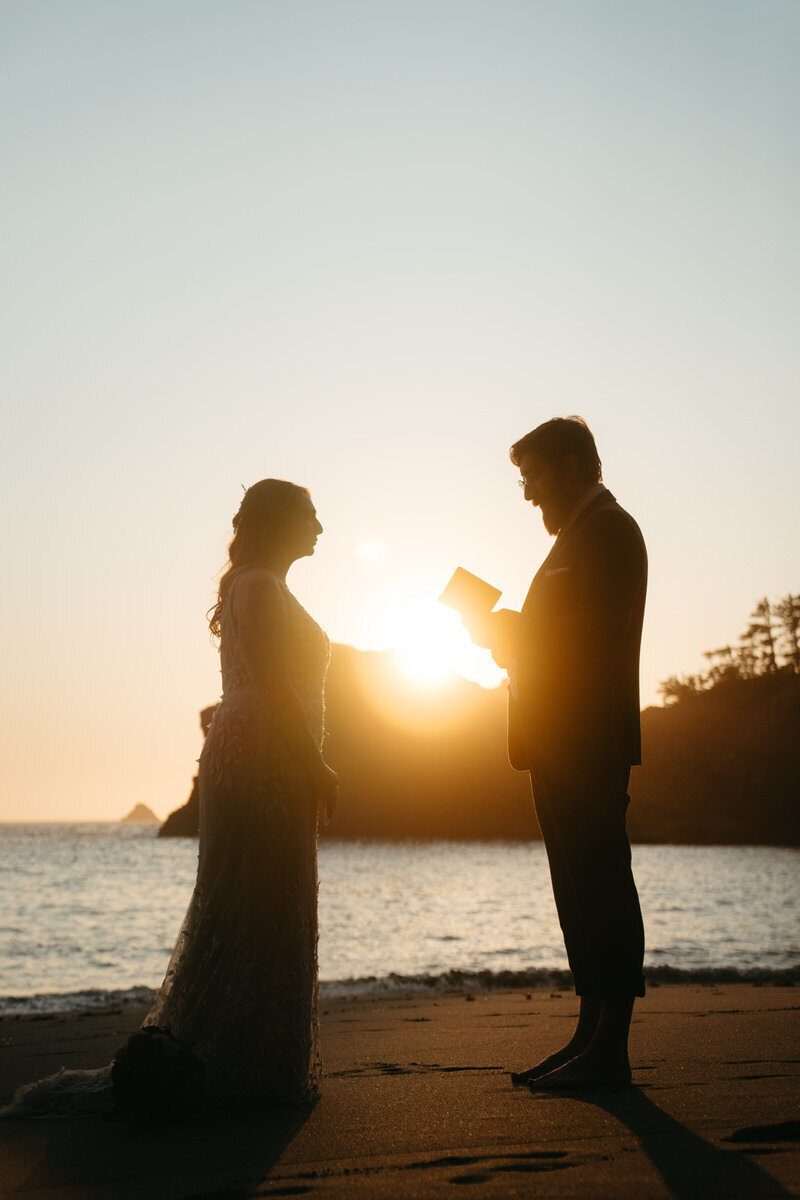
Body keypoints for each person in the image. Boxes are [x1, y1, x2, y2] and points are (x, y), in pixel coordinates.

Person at [3, 479, 337, 1116]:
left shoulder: (257, 584)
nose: (321, 526)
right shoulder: (261, 586)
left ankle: (249, 1054)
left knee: (252, 898)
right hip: (267, 754)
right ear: (279, 521)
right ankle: (246, 1063)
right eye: (311, 515)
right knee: (258, 897)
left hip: (253, 747)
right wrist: (316, 764)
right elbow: (272, 687)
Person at [465, 417, 647, 1090]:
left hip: (587, 739)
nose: (527, 494)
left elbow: (587, 642)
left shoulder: (610, 531)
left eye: (533, 477)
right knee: (576, 886)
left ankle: (611, 1049)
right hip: (558, 739)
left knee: (600, 882)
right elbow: (557, 637)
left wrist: (507, 633)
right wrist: (505, 634)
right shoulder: (580, 535)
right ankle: (590, 1033)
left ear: (571, 468)